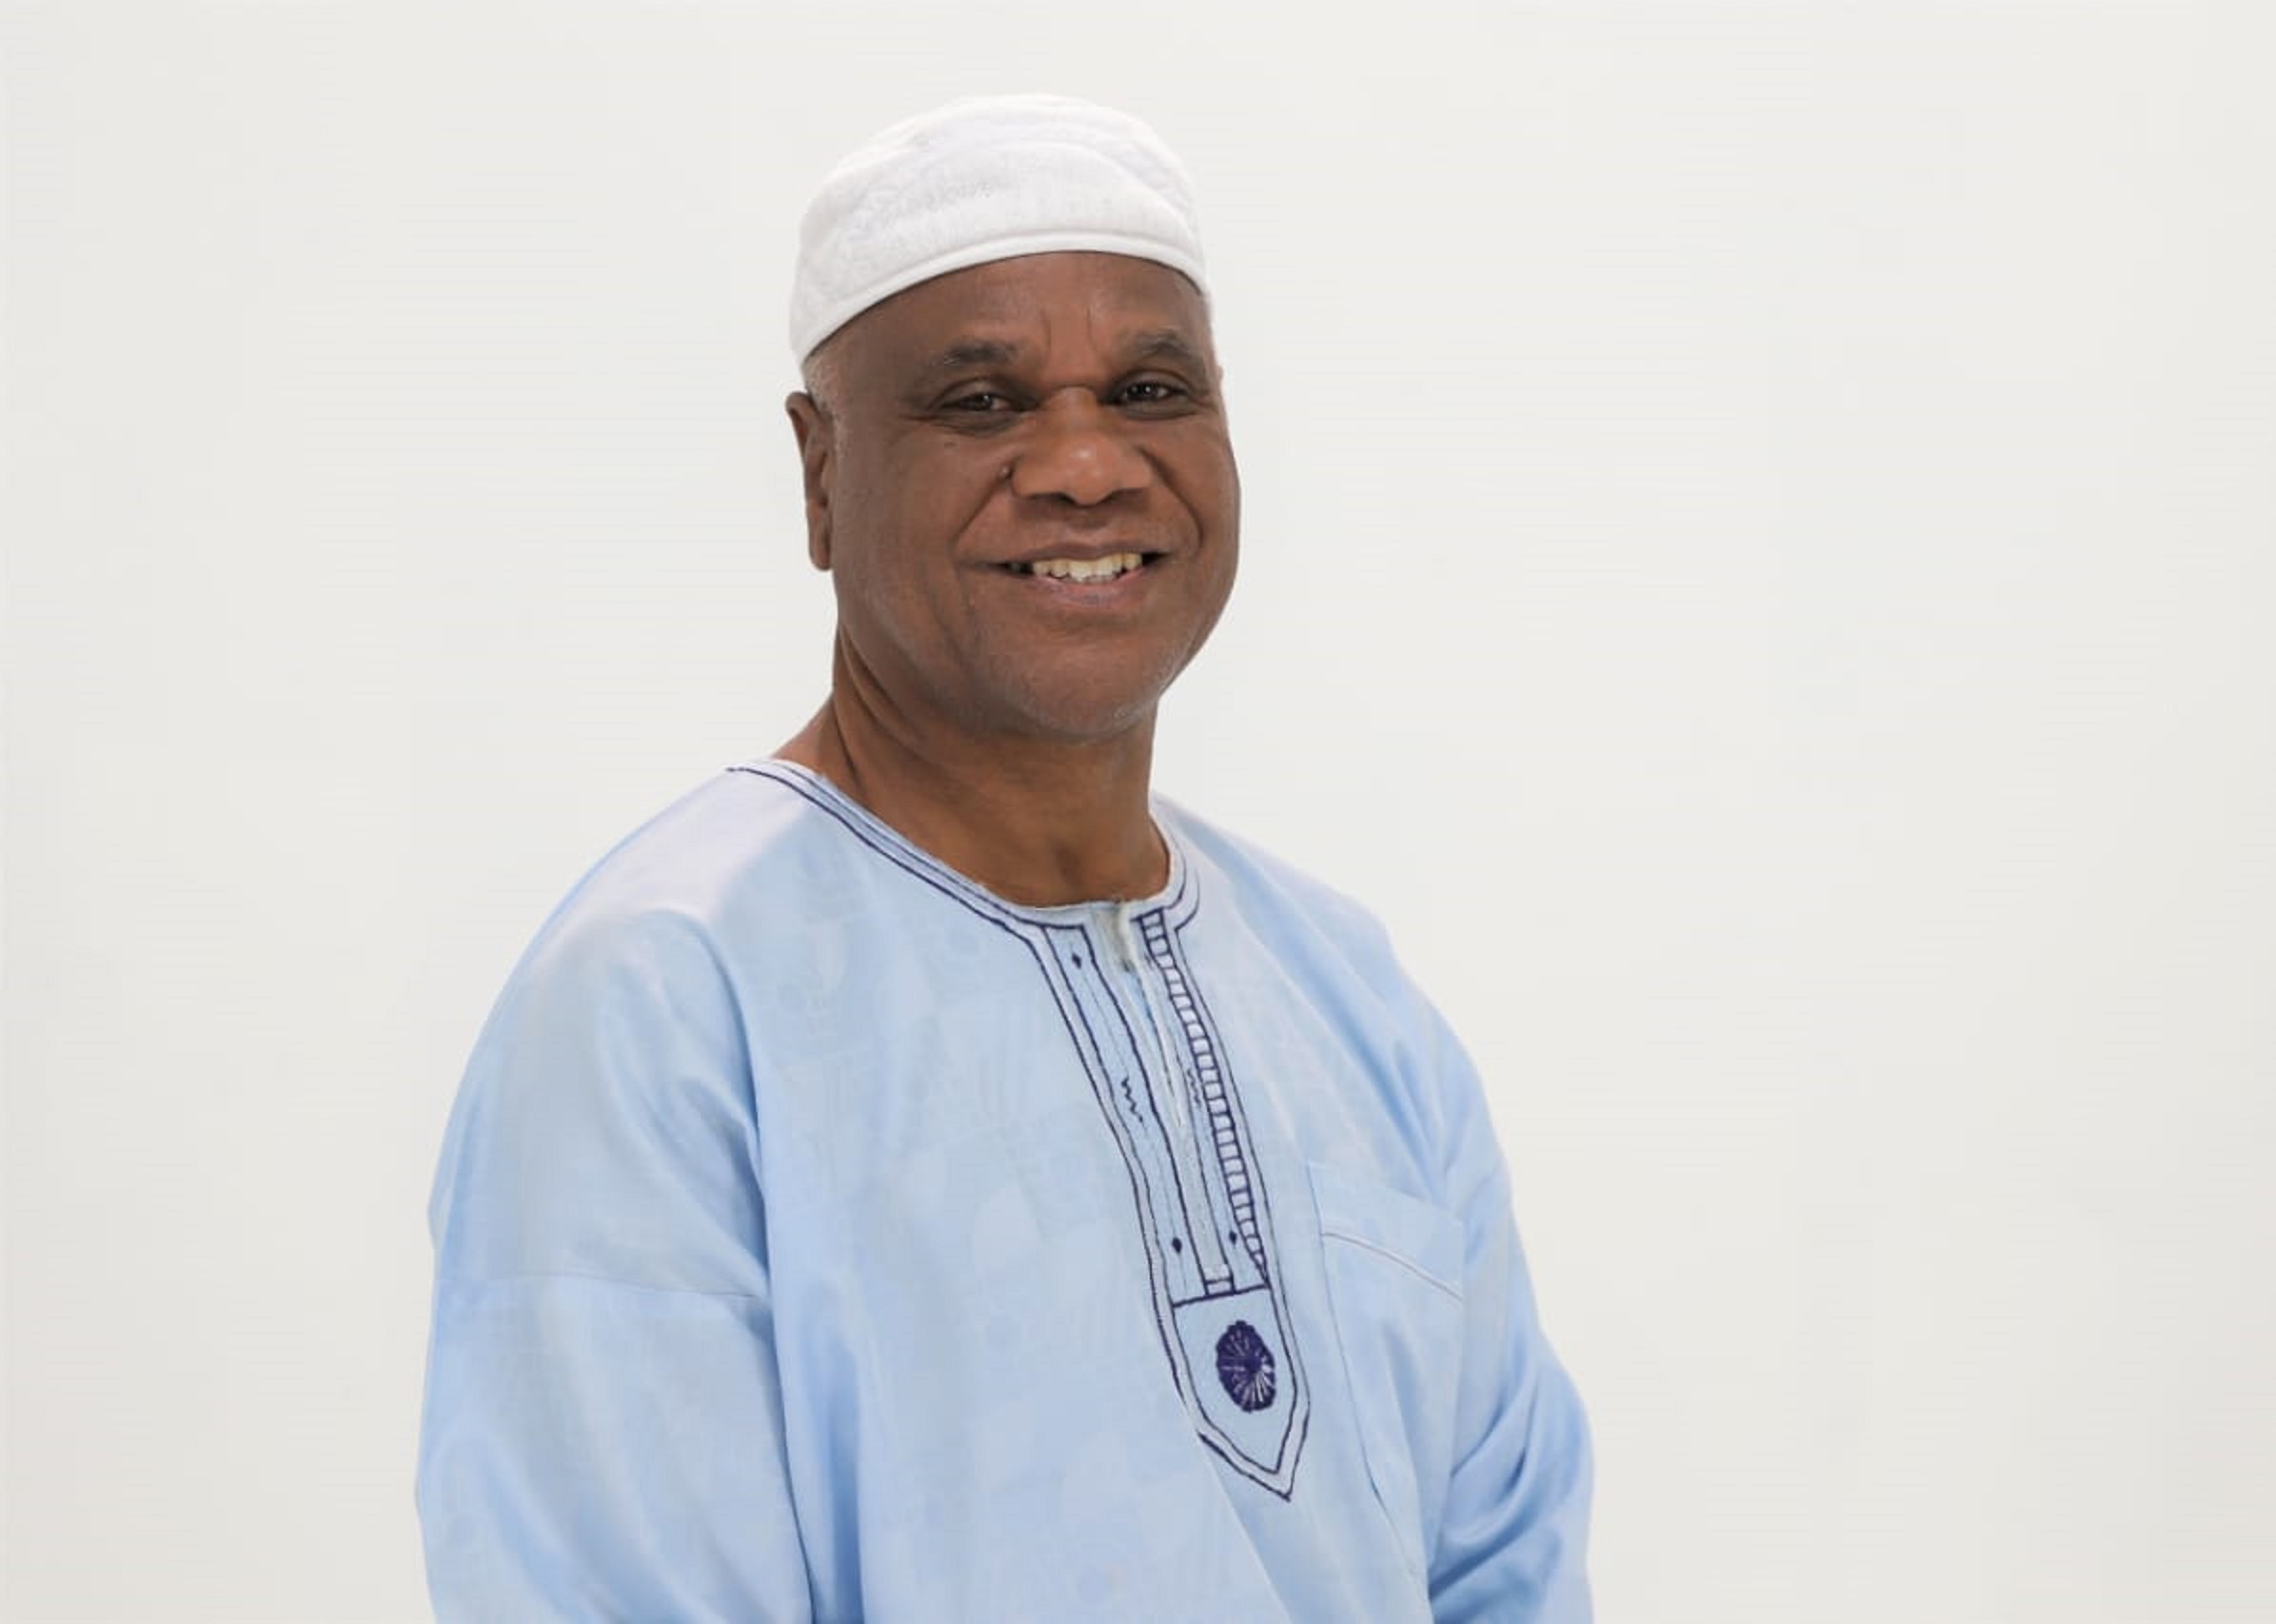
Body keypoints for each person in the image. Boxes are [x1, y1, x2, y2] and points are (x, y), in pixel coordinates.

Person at [416, 93, 1593, 1621]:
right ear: (821, 474)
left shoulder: (1351, 999)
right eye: (982, 403)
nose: (1087, 465)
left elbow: (1508, 1567)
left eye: (1151, 389)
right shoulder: (665, 1001)